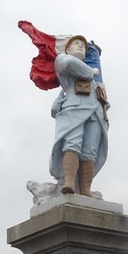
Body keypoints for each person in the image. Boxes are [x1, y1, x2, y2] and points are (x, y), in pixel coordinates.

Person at [49, 34, 109, 196]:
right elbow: (74, 66)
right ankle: (68, 183)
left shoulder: (93, 74)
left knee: (90, 151)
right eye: (76, 43)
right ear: (67, 49)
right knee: (72, 143)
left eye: (83, 45)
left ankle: (85, 190)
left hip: (95, 113)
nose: (81, 46)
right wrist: (92, 71)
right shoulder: (63, 60)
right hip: (74, 108)